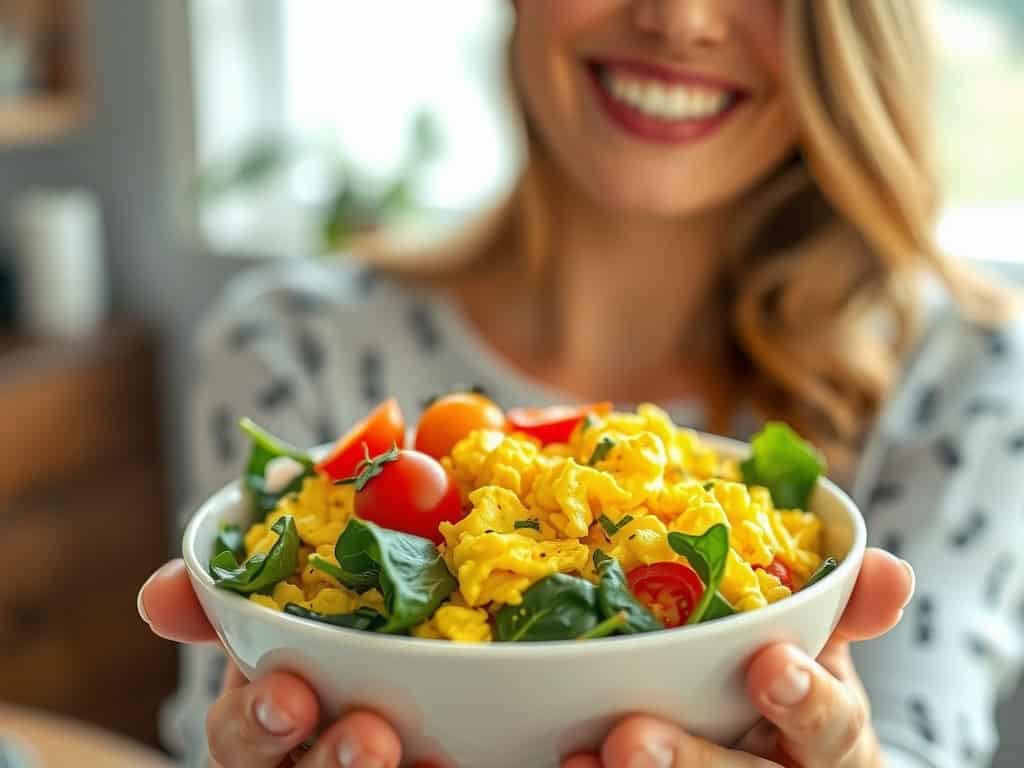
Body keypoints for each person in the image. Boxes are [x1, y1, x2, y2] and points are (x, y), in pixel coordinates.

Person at [138, 1, 1024, 766]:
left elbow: (917, 741)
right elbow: (216, 729)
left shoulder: (966, 377)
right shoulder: (291, 344)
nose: (679, 20)